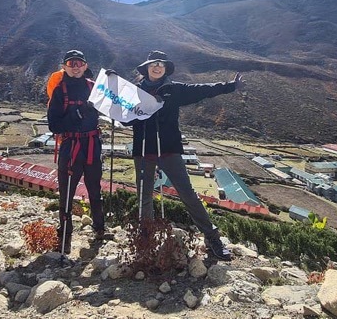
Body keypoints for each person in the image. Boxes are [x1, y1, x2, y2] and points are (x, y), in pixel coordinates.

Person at [127, 50, 245, 261]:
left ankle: (211, 237)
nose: (157, 67)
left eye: (161, 64)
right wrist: (110, 86)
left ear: (165, 68)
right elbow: (124, 118)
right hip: (144, 149)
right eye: (153, 63)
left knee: (187, 194)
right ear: (146, 68)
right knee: (144, 196)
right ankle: (146, 239)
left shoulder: (175, 89)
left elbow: (202, 90)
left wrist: (229, 86)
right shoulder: (133, 92)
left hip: (170, 149)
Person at [47, 50, 105, 254]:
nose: (75, 66)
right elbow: (54, 125)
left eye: (79, 63)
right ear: (64, 67)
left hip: (92, 144)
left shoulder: (94, 88)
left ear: (85, 65)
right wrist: (76, 115)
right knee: (67, 194)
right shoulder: (59, 91)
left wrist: (113, 84)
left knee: (95, 190)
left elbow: (113, 105)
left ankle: (100, 229)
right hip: (70, 147)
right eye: (71, 63)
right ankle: (65, 236)